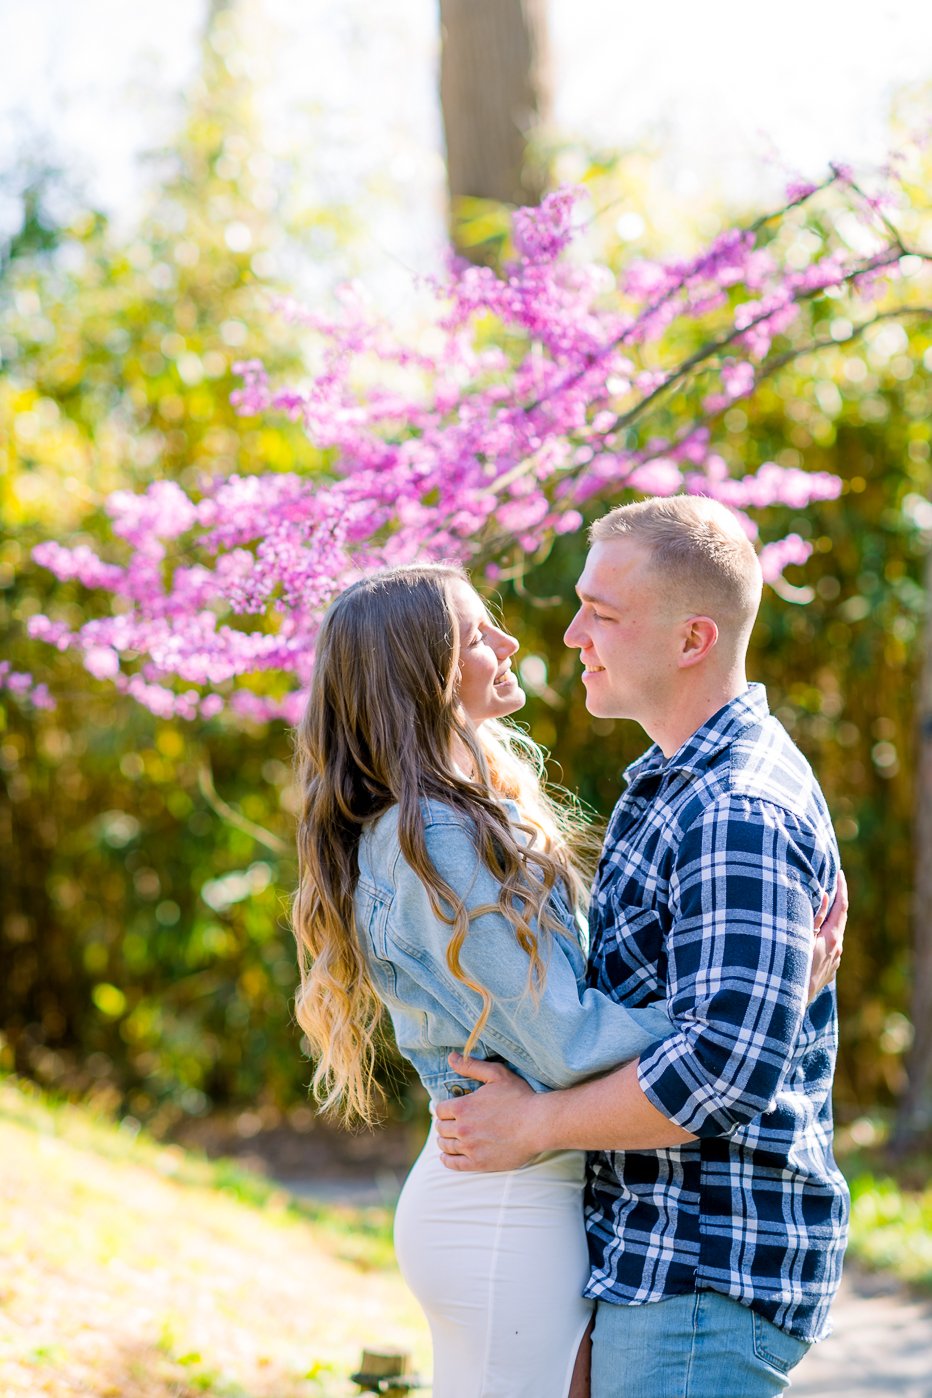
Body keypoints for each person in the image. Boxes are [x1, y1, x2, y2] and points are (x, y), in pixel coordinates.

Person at [292, 555, 844, 1398]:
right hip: (508, 1203)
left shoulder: (457, 814)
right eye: (478, 634)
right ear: (422, 673)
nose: (513, 640)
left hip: (526, 1189)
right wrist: (769, 1001)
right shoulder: (432, 834)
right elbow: (565, 1040)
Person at [435, 495, 849, 1398]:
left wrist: (533, 1125)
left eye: (604, 613)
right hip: (654, 1268)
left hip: (702, 1273)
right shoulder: (666, 785)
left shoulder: (735, 807)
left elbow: (725, 1070)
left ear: (692, 639)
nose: (574, 631)